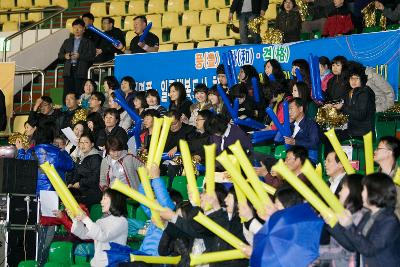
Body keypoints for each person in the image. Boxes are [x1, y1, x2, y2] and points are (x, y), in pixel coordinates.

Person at [15, 125, 74, 265]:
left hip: (33, 196)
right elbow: (70, 165)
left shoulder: (31, 151)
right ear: (51, 138)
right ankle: (43, 261)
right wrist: (64, 151)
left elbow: (21, 163)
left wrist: (20, 150)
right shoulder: (57, 153)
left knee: (36, 229)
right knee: (48, 231)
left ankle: (36, 260)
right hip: (52, 195)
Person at [328, 173, 400, 267]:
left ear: (374, 192)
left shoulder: (390, 221)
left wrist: (349, 226)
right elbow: (352, 245)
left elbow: (369, 249)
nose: (361, 193)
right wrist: (333, 224)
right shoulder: (368, 215)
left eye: (364, 189)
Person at [71, 188, 128, 267]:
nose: (101, 202)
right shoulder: (101, 220)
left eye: (104, 198)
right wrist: (76, 219)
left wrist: (85, 218)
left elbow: (103, 236)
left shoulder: (122, 221)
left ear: (115, 200)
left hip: (113, 263)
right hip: (97, 263)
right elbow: (84, 234)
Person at [319, 174, 365, 267]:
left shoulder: (359, 216)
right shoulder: (342, 213)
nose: (339, 192)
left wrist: (315, 252)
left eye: (343, 188)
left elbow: (347, 249)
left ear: (353, 190)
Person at [332, 63, 375, 138]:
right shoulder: (350, 92)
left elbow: (361, 115)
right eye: (351, 78)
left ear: (362, 79)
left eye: (357, 78)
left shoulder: (365, 92)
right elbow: (348, 111)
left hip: (363, 133)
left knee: (331, 138)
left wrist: (342, 108)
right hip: (352, 129)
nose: (353, 81)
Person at [58, 19, 96, 99]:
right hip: (68, 71)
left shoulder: (89, 42)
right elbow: (60, 55)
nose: (77, 30)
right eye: (75, 28)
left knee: (80, 92)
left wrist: (80, 56)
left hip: (81, 71)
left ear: (84, 29)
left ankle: (80, 111)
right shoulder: (67, 41)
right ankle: (66, 110)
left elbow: (92, 57)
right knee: (67, 93)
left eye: (79, 27)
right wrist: (65, 56)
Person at [67, 133, 102, 208]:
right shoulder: (82, 157)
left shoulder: (95, 158)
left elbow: (96, 177)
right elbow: (78, 174)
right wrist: (72, 183)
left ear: (92, 144)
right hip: (83, 190)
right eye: (81, 142)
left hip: (92, 193)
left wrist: (80, 183)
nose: (83, 145)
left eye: (86, 142)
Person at [284, 98, 320, 162]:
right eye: (288, 109)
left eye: (291, 109)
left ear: (300, 109)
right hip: (292, 158)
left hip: (307, 158)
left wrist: (295, 142)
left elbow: (314, 144)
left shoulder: (311, 124)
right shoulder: (290, 125)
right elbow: (277, 139)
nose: (289, 112)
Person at [374, 136, 400, 218]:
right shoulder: (372, 176)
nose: (375, 151)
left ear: (389, 152)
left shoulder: (398, 176)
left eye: (378, 148)